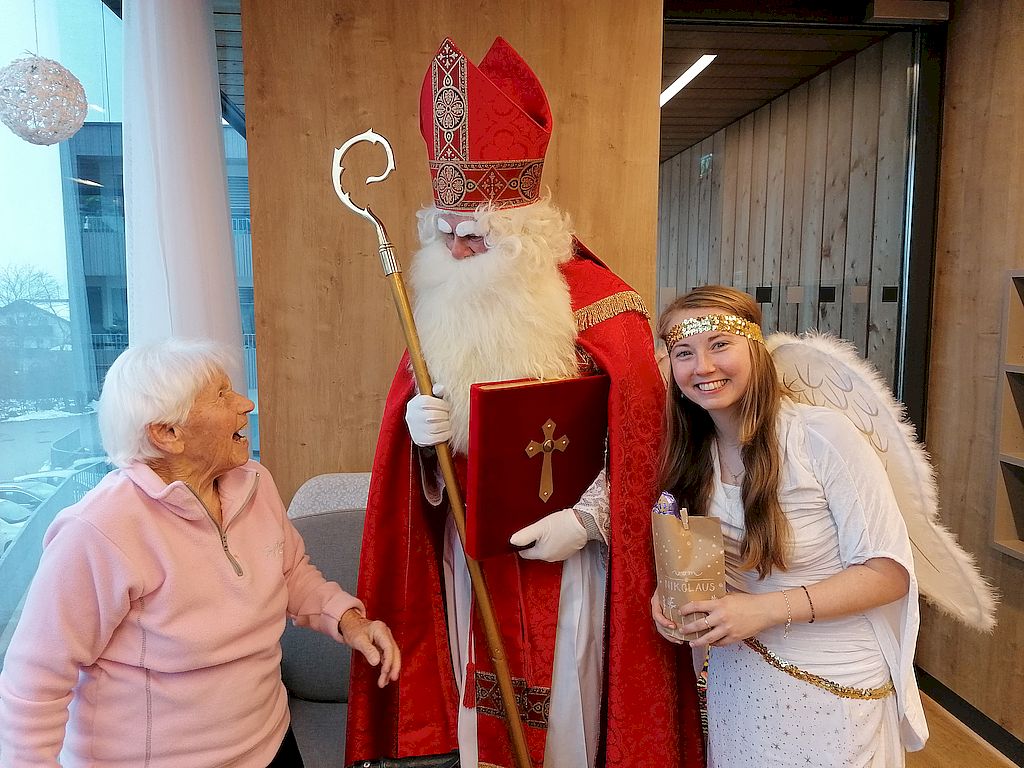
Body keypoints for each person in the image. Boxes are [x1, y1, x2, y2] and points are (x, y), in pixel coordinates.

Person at [346, 36, 703, 768]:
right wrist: (420, 444)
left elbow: (648, 447)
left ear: (525, 228)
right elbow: (412, 482)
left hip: (572, 560)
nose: (457, 247)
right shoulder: (436, 307)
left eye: (473, 231)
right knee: (477, 711)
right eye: (443, 230)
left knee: (566, 711)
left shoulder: (605, 310)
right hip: (468, 552)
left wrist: (589, 518)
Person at [0, 339, 400, 768]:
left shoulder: (255, 483)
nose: (245, 404)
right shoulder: (97, 531)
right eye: (223, 395)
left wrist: (350, 620)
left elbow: (290, 573)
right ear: (167, 433)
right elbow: (34, 684)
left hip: (270, 743)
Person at [650, 285, 928, 767]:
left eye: (720, 344)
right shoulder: (691, 453)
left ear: (755, 348)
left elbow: (888, 571)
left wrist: (763, 610)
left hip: (833, 685)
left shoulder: (821, 437)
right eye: (684, 353)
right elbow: (705, 559)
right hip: (738, 675)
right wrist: (672, 596)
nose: (704, 367)